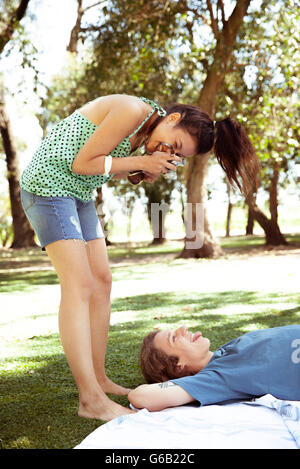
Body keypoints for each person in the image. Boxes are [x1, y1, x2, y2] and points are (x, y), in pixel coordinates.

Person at [19, 94, 260, 421]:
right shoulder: (132, 111)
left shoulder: (148, 129)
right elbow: (82, 162)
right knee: (79, 284)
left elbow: (102, 166)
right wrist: (140, 163)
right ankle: (89, 398)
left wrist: (139, 170)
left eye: (177, 154)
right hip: (50, 185)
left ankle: (100, 379)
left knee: (102, 281)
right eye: (174, 144)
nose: (169, 152)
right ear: (172, 119)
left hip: (78, 192)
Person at [128, 324, 300, 412]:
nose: (183, 328)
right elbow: (140, 396)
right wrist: (173, 381)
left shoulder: (225, 351)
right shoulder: (215, 378)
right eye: (174, 338)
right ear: (178, 366)